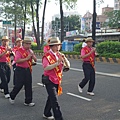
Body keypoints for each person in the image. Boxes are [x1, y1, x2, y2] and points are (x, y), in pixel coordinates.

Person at [42, 37, 70, 120]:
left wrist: (64, 59)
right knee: (54, 100)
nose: (58, 47)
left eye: (59, 45)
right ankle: (59, 117)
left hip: (57, 80)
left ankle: (46, 113)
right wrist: (57, 64)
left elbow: (68, 66)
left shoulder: (60, 55)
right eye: (56, 45)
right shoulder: (47, 56)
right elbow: (46, 67)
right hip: (49, 80)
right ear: (52, 46)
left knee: (51, 98)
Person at [9, 38, 37, 106]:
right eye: (27, 44)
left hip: (28, 69)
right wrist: (26, 58)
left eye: (29, 44)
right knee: (19, 85)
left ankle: (28, 101)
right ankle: (12, 96)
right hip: (20, 69)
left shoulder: (30, 51)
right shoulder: (19, 51)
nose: (28, 45)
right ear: (23, 44)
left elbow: (35, 60)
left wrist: (33, 56)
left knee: (28, 85)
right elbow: (17, 60)